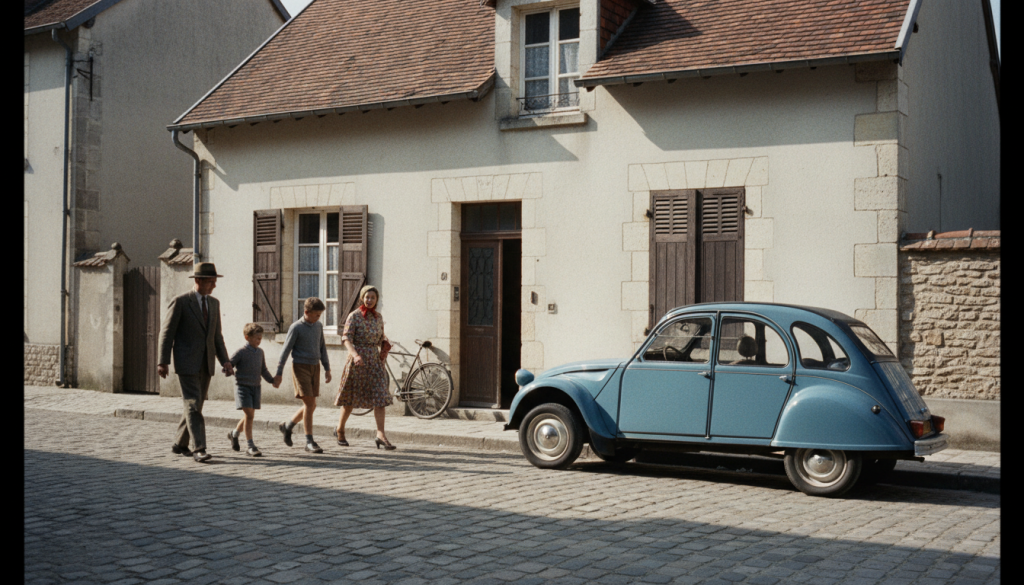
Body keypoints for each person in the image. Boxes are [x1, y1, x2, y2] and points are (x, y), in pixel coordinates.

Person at [157, 262, 234, 463]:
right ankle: (199, 448)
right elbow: (167, 333)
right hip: (186, 362)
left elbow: (217, 337)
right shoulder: (181, 302)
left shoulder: (214, 304)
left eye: (215, 282)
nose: (214, 286)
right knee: (192, 404)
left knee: (196, 405)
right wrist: (163, 361)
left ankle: (179, 444)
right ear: (198, 281)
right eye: (210, 282)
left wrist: (225, 360)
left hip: (206, 363)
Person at [334, 285, 395, 450]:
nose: (369, 300)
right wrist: (355, 355)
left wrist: (385, 344)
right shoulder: (354, 316)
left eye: (373, 298)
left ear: (377, 300)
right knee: (349, 399)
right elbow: (346, 338)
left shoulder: (378, 318)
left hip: (374, 361)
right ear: (362, 298)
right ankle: (340, 429)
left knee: (380, 397)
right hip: (357, 361)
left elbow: (381, 337)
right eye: (367, 297)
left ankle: (380, 435)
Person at [274, 297, 331, 453]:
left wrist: (327, 368)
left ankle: (287, 426)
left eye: (320, 316)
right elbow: (285, 351)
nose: (318, 318)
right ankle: (309, 441)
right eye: (316, 315)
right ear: (306, 312)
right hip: (300, 367)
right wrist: (279, 372)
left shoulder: (318, 326)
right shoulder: (296, 327)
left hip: (315, 367)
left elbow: (322, 348)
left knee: (312, 405)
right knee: (309, 404)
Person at [225, 323, 279, 456]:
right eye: (256, 338)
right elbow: (229, 364)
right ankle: (250, 446)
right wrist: (228, 369)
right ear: (247, 337)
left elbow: (263, 370)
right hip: (242, 387)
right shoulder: (241, 352)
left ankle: (234, 434)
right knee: (249, 415)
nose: (259, 341)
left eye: (260, 338)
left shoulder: (260, 352)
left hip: (256, 387)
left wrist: (272, 380)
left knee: (249, 415)